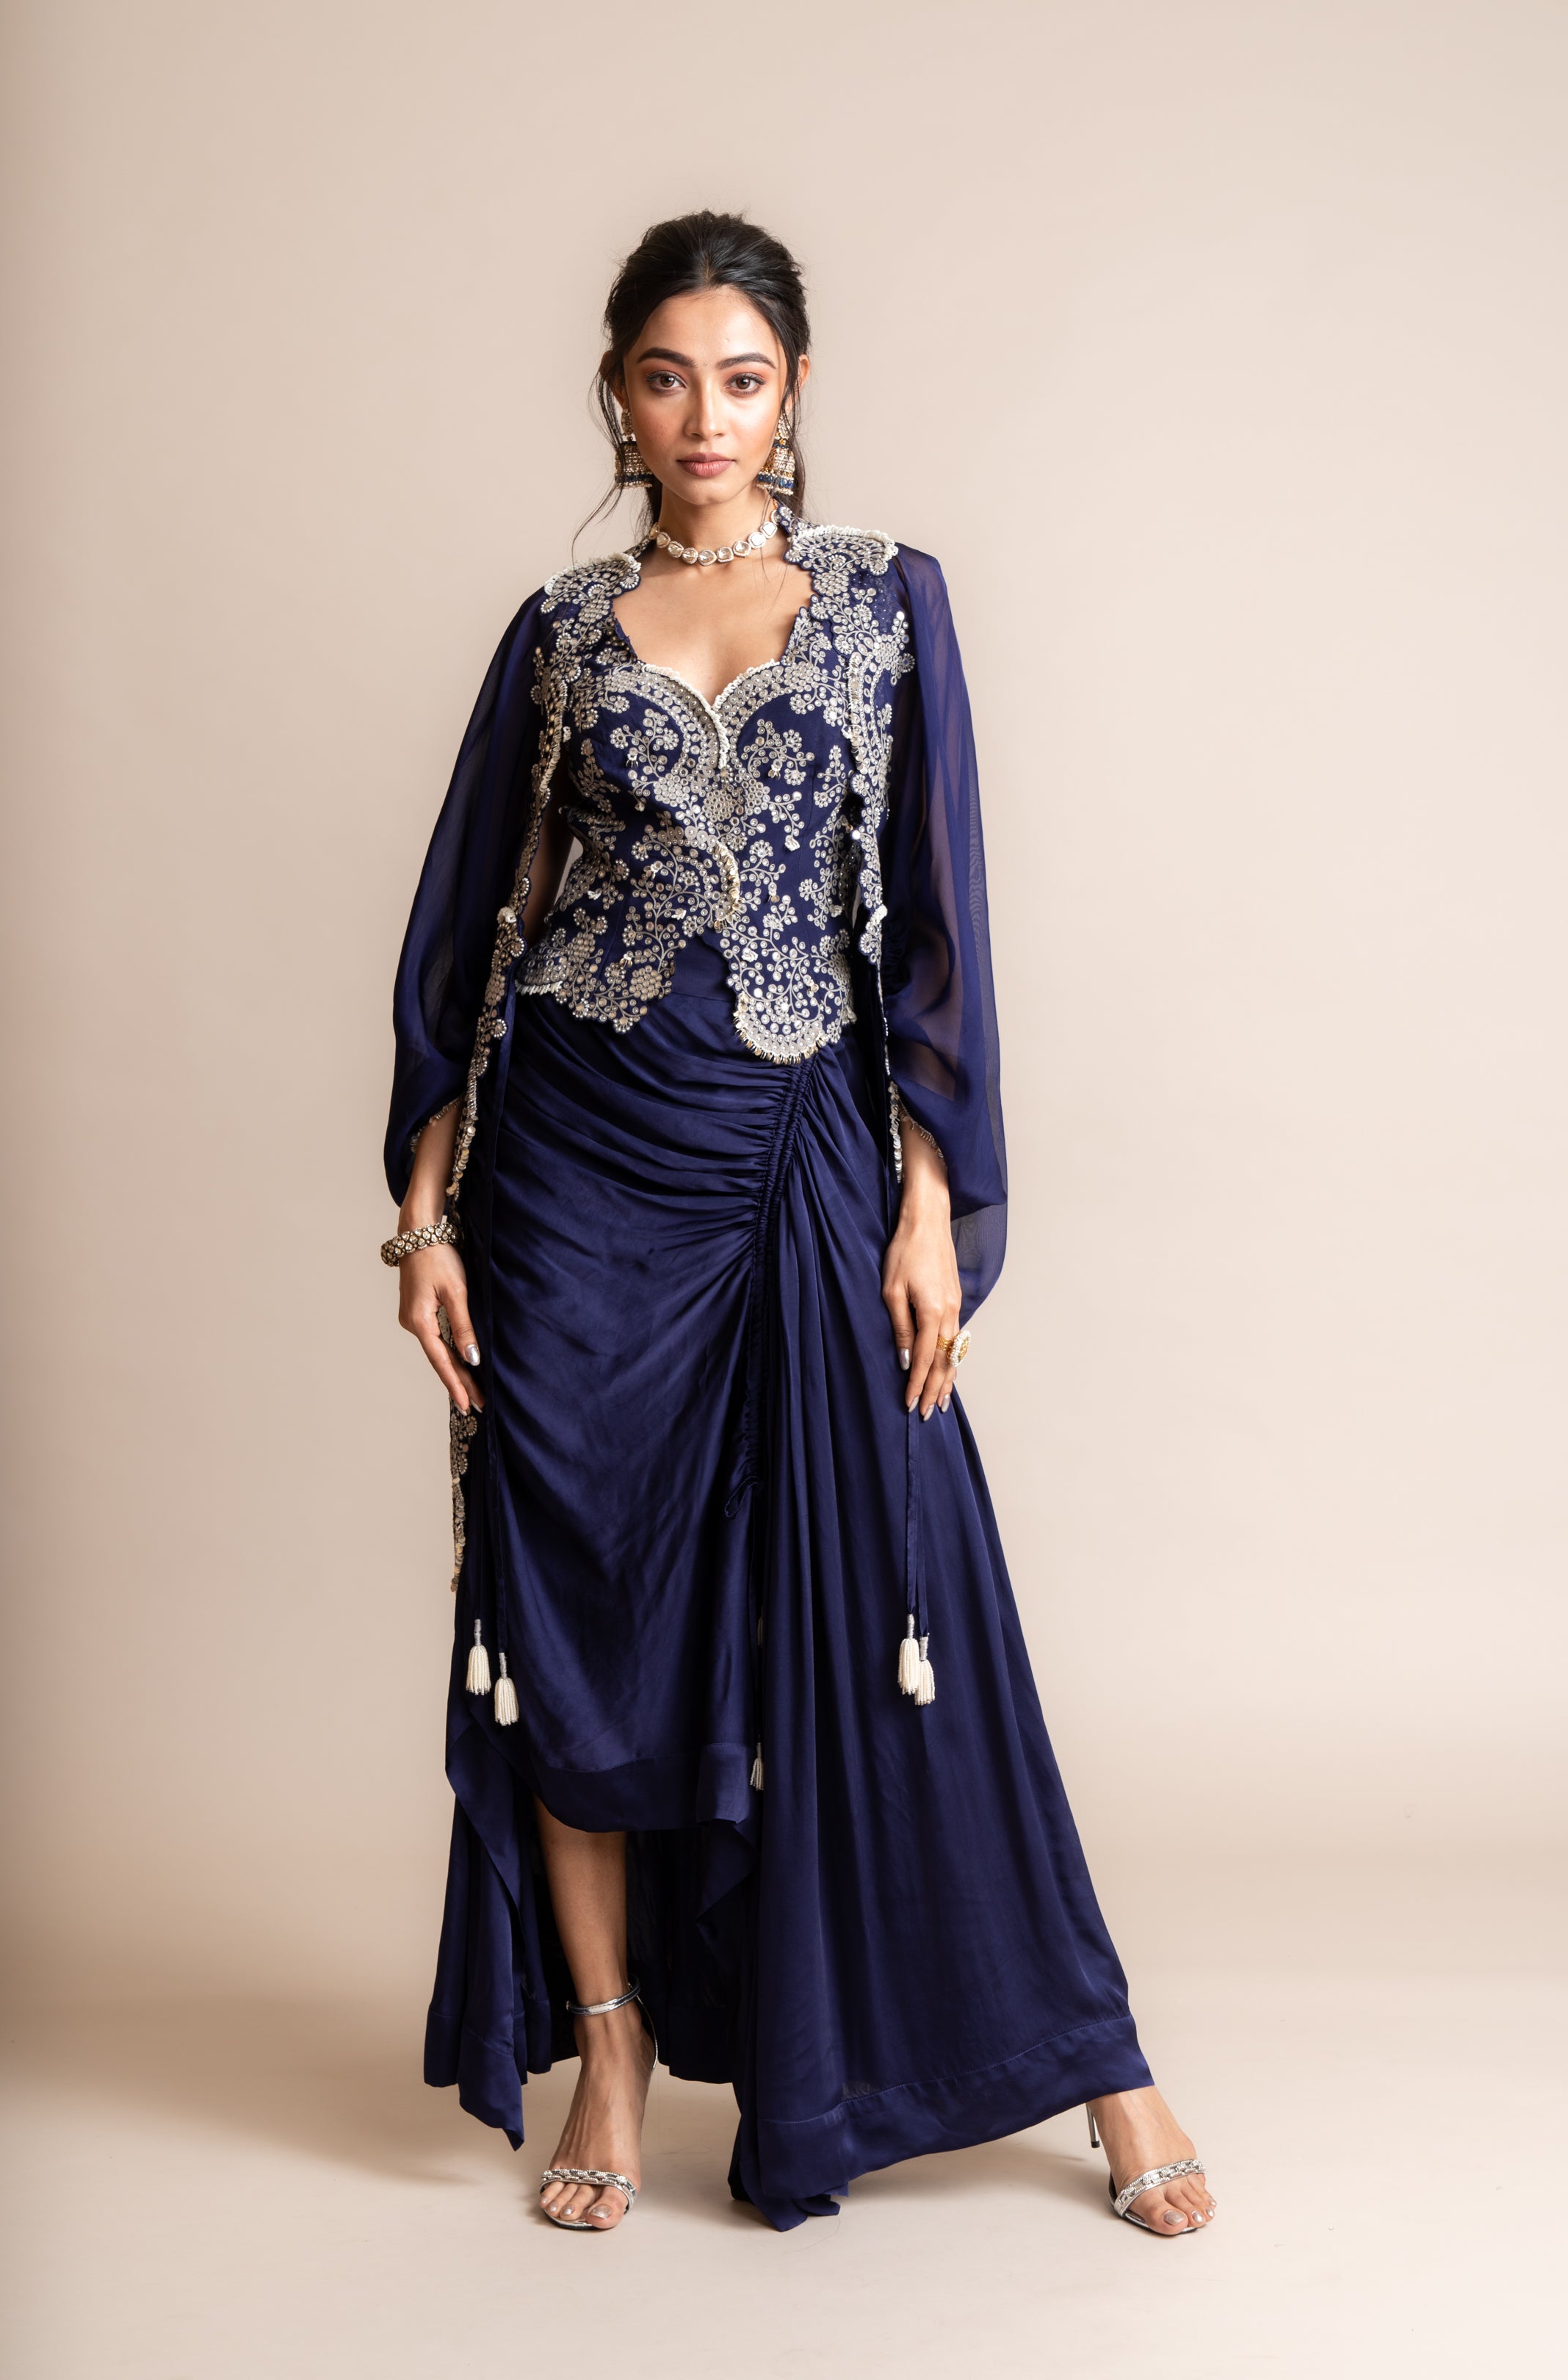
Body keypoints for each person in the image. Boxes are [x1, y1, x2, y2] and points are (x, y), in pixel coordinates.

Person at [383, 209, 1216, 2238]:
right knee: (576, 1601)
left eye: (739, 378)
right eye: (665, 377)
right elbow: (471, 927)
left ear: (794, 392)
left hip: (802, 1152)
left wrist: (928, 1197)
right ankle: (606, 2052)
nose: (703, 417)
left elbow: (937, 931)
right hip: (573, 1172)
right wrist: (425, 1215)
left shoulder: (886, 603)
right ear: (618, 392)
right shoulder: (559, 634)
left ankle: (1093, 2054)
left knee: (907, 1580)